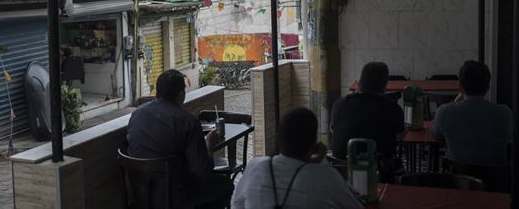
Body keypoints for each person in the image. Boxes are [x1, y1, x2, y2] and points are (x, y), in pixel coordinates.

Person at [127, 69, 233, 209]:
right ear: (181, 95)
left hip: (140, 196)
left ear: (157, 92)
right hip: (176, 198)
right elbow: (203, 171)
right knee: (225, 185)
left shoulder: (137, 115)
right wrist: (209, 144)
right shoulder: (187, 122)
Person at [233, 107, 362, 209]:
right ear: (314, 144)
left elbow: (238, 204)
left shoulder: (255, 167)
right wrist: (321, 162)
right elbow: (354, 205)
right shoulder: (324, 175)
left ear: (278, 138)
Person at [330, 62, 404, 183]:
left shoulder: (339, 104)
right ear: (384, 86)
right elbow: (400, 135)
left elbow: (333, 129)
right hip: (378, 175)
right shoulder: (392, 108)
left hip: (341, 175)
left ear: (359, 82)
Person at [431, 60, 512, 165]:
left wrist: (456, 102)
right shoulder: (505, 113)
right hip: (495, 179)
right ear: (488, 87)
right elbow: (509, 137)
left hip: (458, 179)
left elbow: (436, 135)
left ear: (460, 86)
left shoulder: (444, 112)